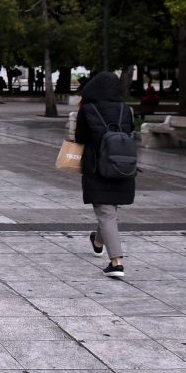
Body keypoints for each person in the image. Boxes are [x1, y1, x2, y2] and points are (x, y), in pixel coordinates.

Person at [74, 70, 135, 279]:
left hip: (96, 166)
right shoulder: (125, 109)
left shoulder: (88, 109)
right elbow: (129, 132)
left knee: (106, 212)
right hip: (122, 164)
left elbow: (80, 137)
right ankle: (98, 241)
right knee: (109, 209)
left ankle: (116, 262)